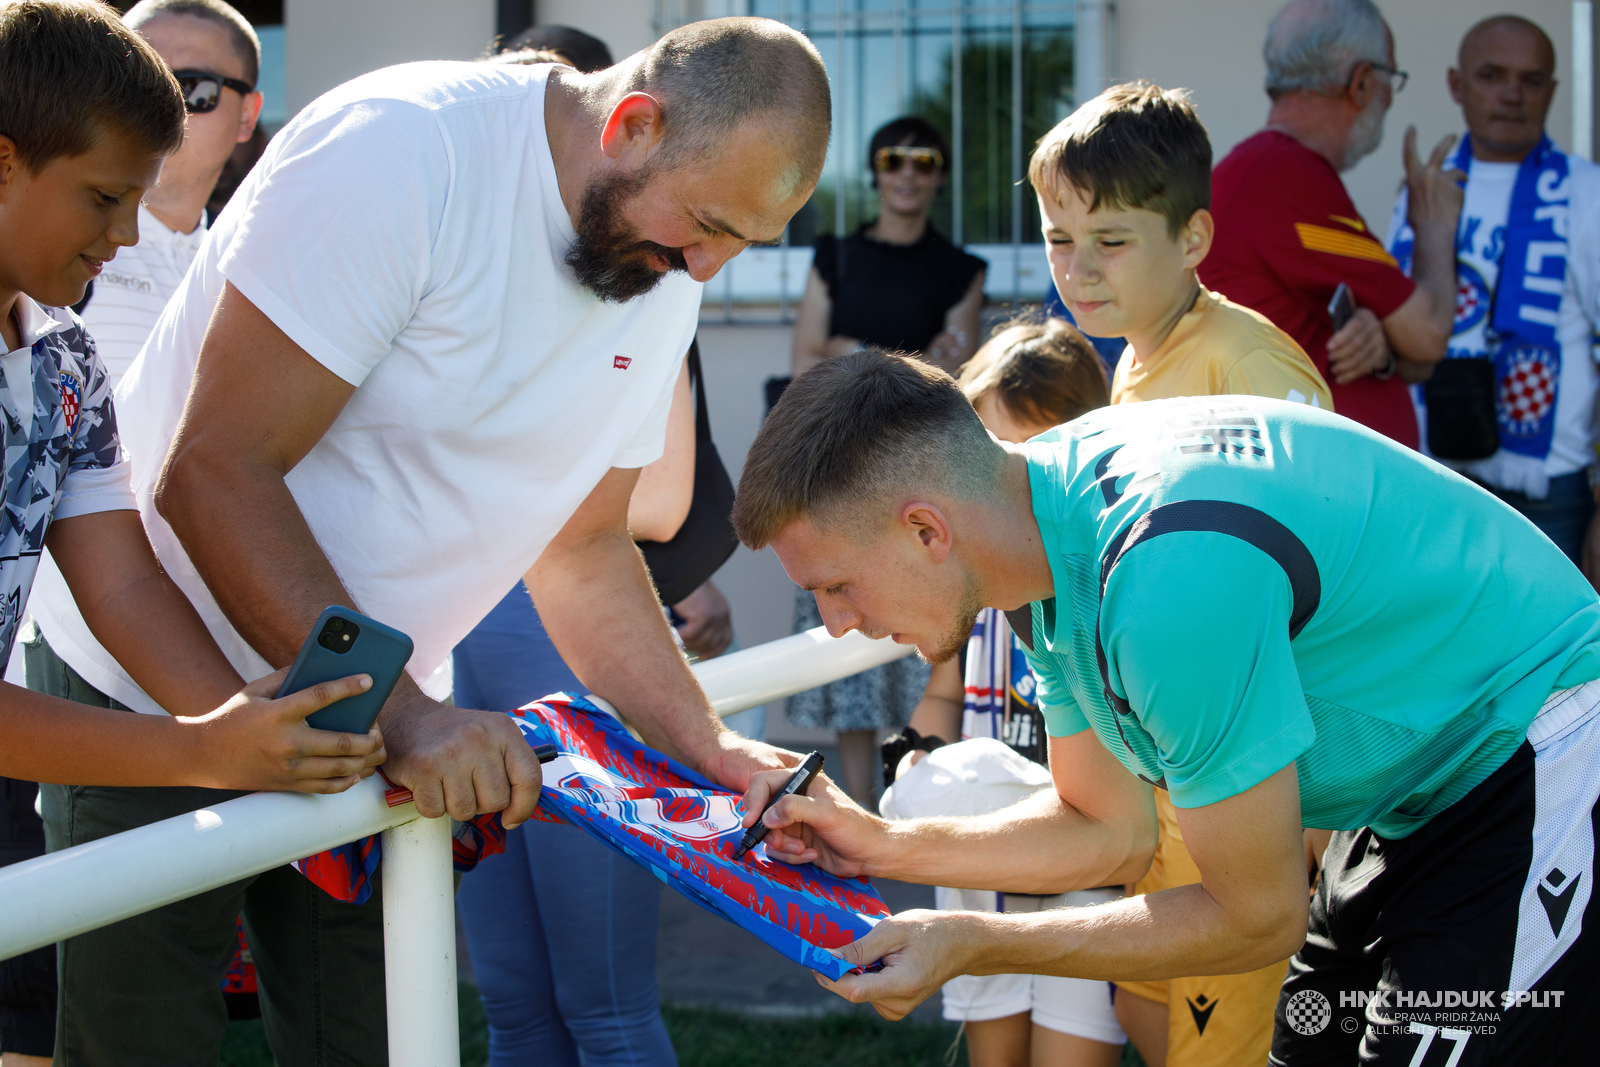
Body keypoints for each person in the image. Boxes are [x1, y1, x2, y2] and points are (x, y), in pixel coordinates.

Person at [24, 17, 831, 1065]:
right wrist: (411, 717)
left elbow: (582, 550)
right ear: (632, 125)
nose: (707, 265)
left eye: (742, 244)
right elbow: (213, 469)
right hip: (147, 680)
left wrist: (711, 747)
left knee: (377, 1041)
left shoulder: (665, 268)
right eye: (707, 223)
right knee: (142, 1049)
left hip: (368, 712)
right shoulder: (402, 150)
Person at [733, 349, 1600, 1065]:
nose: (840, 625)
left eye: (835, 588)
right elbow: (1106, 827)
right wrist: (883, 843)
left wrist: (976, 939)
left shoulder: (1159, 583)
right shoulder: (1035, 523)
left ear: (927, 530)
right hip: (1422, 786)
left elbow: (1256, 914)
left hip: (1533, 750)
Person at [0, 4, 382, 1063]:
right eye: (105, 196)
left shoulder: (66, 362)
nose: (127, 235)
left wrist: (228, 718)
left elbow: (120, 581)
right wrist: (193, 746)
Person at [1030, 81, 1332, 1067]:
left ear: (1194, 237)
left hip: (1250, 816)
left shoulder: (1249, 368)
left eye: (1109, 240)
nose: (1076, 269)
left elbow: (1314, 597)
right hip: (1172, 805)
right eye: (1055, 237)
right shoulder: (1135, 358)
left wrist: (1309, 828)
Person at [888, 318, 1122, 1067]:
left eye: (1017, 460)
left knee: (1071, 1045)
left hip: (1094, 864)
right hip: (988, 857)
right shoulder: (969, 580)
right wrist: (916, 757)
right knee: (996, 1052)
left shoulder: (1112, 580)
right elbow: (943, 695)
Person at [786, 117, 987, 805]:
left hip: (916, 476)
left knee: (918, 637)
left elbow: (955, 374)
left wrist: (854, 351)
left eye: (925, 159)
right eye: (893, 159)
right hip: (833, 472)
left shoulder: (961, 268)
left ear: (939, 174)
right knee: (847, 634)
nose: (908, 172)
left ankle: (913, 794)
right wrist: (906, 357)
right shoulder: (835, 255)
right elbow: (803, 359)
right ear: (875, 171)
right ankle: (858, 798)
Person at [1385, 17, 1600, 579]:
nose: (1512, 93)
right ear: (1458, 85)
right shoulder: (1427, 188)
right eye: (1492, 75)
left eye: (1531, 80)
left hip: (1551, 490)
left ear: (1552, 92)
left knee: (1561, 665)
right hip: (1436, 476)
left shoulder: (1586, 192)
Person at [1202, 0, 1461, 448]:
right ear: (1361, 83)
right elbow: (1427, 333)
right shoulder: (1285, 174)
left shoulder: (1266, 168)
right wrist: (1433, 224)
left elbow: (1406, 352)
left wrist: (1381, 345)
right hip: (1312, 490)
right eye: (1389, 80)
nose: (1388, 99)